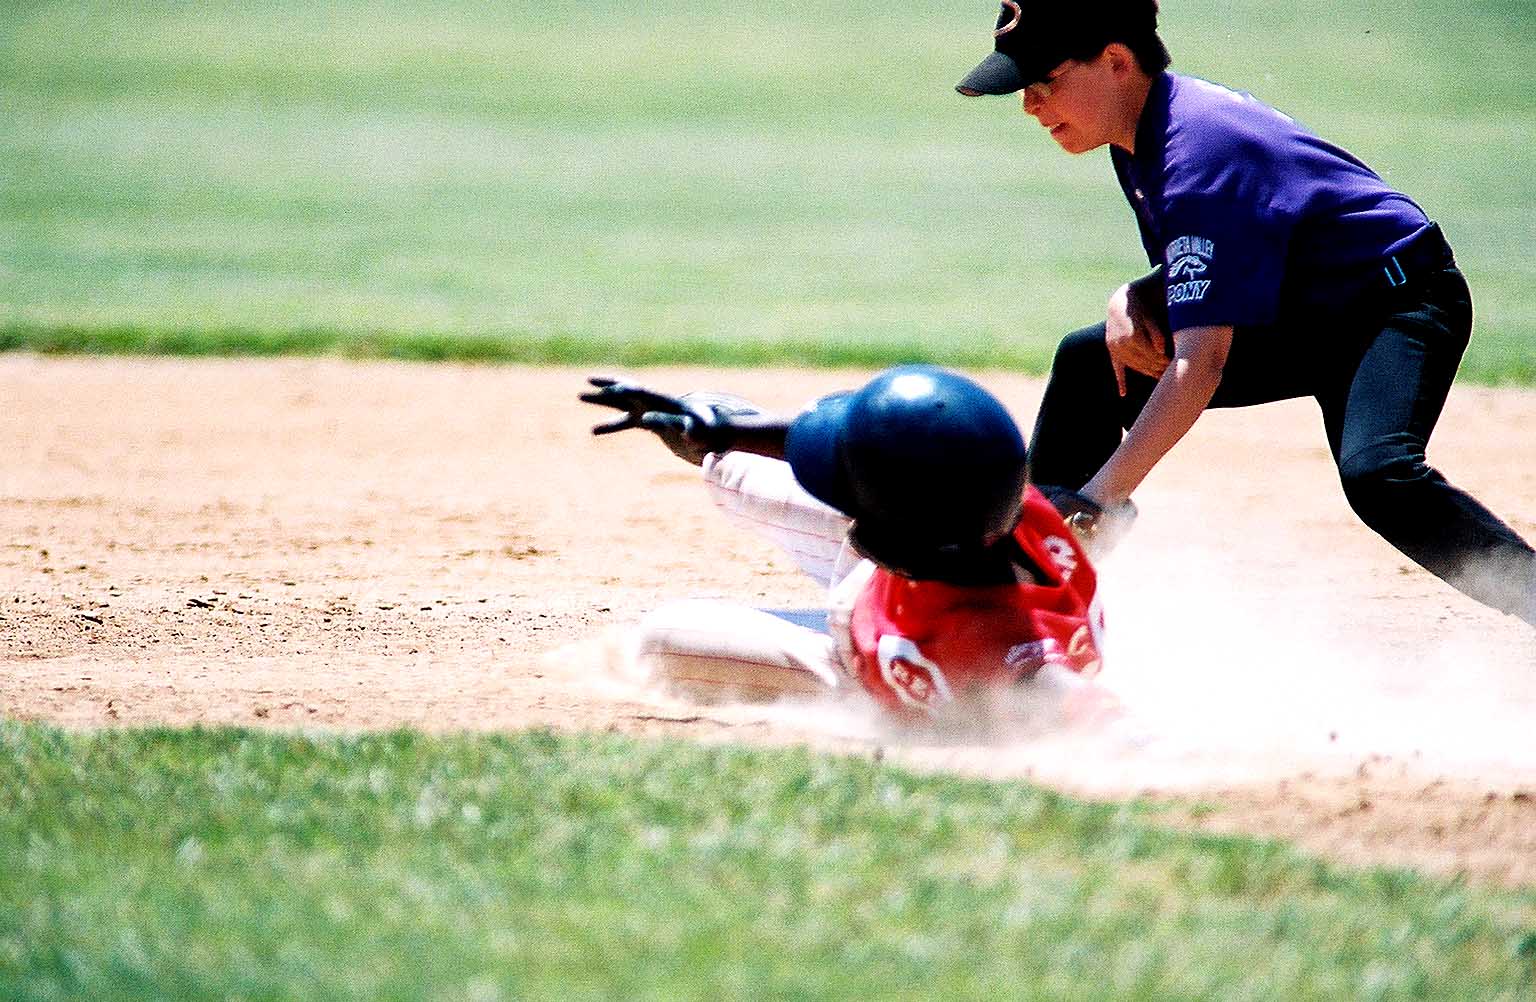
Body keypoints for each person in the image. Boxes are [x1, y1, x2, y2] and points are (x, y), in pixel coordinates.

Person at [956, 1, 1536, 628]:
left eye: (1045, 82)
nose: (1030, 104)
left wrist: (1097, 500)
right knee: (1088, 363)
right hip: (1302, 310)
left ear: (1117, 62)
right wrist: (1134, 295)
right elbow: (1227, 256)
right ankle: (1027, 598)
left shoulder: (1197, 150)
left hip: (1397, 306)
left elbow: (1200, 365)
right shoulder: (1139, 131)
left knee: (1379, 476)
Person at [579, 366, 1114, 721]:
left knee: (660, 637)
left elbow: (1070, 700)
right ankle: (723, 449)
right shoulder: (991, 494)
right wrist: (725, 432)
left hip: (852, 658)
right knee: (730, 468)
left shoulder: (981, 654)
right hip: (920, 568)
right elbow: (889, 450)